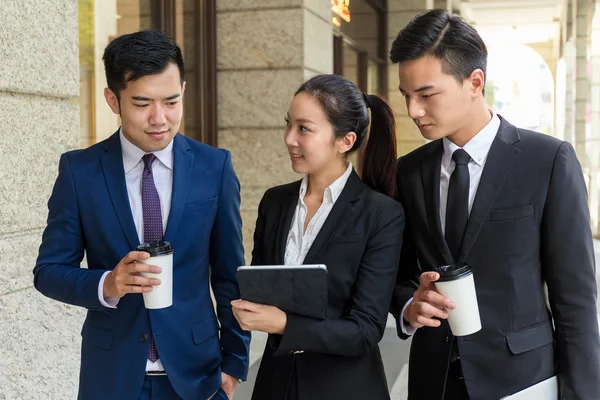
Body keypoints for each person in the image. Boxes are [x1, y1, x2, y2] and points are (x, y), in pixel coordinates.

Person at [389, 9, 600, 400]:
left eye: (426, 95)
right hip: (433, 380)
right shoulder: (409, 172)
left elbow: (575, 300)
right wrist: (408, 305)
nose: (413, 111)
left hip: (522, 380)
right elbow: (397, 275)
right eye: (406, 96)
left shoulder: (548, 161)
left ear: (475, 82)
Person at [33, 30, 250, 400]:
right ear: (112, 100)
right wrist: (108, 284)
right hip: (112, 375)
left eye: (171, 101)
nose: (159, 118)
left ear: (183, 89)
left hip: (198, 375)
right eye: (142, 103)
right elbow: (49, 271)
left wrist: (234, 364)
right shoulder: (79, 172)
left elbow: (230, 275)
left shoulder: (214, 167)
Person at [230, 74, 404, 400]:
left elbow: (365, 330)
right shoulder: (275, 202)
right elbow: (260, 286)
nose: (289, 139)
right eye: (288, 125)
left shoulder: (381, 214)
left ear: (345, 141)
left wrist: (285, 324)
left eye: (304, 129)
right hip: (275, 384)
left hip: (345, 389)